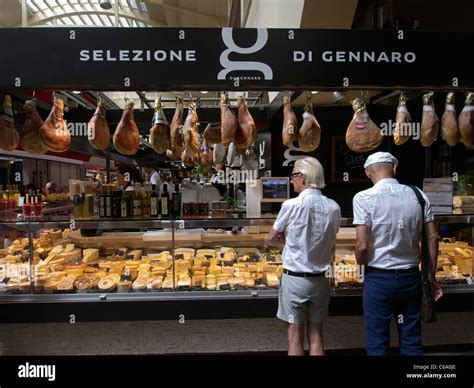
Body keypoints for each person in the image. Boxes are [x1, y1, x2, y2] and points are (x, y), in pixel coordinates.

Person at [353, 152, 443, 356]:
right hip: (411, 278)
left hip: (378, 278)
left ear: (368, 173)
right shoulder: (418, 195)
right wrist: (430, 277)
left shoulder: (363, 198)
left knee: (377, 342)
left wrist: (361, 269)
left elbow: (362, 245)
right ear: (394, 168)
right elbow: (432, 237)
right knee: (411, 340)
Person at [266, 157, 341, 355]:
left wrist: (285, 239)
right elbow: (332, 240)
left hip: (296, 281)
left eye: (293, 176)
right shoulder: (333, 206)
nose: (291, 181)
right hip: (321, 281)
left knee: (294, 336)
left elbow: (270, 240)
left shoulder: (291, 205)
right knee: (316, 335)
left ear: (304, 177)